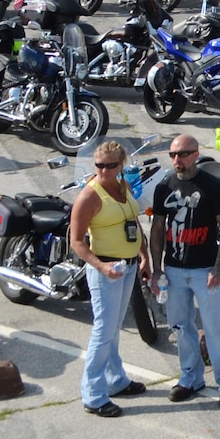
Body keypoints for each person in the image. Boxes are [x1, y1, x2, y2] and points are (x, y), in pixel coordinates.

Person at [151, 134, 220, 409]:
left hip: (205, 269)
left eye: (183, 154)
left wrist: (219, 266)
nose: (177, 159)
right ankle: (191, 376)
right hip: (175, 270)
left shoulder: (212, 186)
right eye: (173, 154)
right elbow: (157, 229)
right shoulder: (164, 186)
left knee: (215, 327)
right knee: (180, 325)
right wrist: (156, 269)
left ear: (196, 154)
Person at [69, 139, 149, 418]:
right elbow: (77, 242)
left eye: (109, 166)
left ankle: (116, 380)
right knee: (103, 331)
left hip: (127, 268)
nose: (103, 171)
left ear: (121, 165)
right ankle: (92, 394)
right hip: (106, 270)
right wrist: (101, 267)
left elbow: (134, 221)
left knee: (114, 326)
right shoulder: (89, 196)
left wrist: (145, 255)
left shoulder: (123, 186)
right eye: (99, 166)